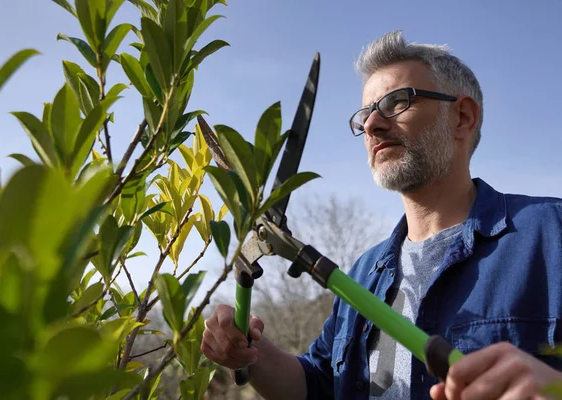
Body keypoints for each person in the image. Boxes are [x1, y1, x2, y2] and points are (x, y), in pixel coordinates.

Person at [201, 31, 562, 400]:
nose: (372, 125)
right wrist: (251, 353)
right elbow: (318, 385)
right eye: (365, 115)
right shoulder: (363, 273)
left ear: (462, 117)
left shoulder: (552, 234)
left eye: (396, 102)